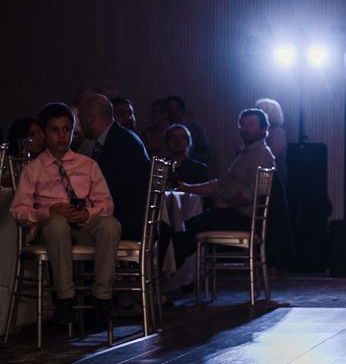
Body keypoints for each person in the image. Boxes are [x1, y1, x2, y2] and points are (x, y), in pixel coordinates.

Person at [10, 103, 121, 323]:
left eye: (66, 129)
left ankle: (102, 296)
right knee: (58, 224)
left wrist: (88, 214)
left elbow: (107, 204)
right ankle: (65, 297)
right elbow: (18, 210)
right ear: (44, 132)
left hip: (82, 225)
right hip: (50, 227)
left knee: (111, 224)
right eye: (55, 130)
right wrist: (47, 212)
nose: (62, 136)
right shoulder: (33, 169)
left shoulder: (88, 165)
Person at [172, 108, 276, 269]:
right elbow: (220, 184)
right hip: (230, 213)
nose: (245, 129)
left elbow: (253, 192)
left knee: (182, 232)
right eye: (242, 125)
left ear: (264, 129)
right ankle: (172, 277)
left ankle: (165, 278)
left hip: (241, 218)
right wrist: (188, 188)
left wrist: (227, 204)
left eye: (251, 124)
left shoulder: (261, 154)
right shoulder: (246, 153)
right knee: (183, 228)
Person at [77, 94, 151, 242]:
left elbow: (117, 186)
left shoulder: (124, 143)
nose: (79, 124)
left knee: (65, 233)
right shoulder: (116, 138)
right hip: (122, 215)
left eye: (80, 118)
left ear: (90, 118)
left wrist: (82, 198)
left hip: (125, 221)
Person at [166, 95, 213, 166]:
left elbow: (205, 151)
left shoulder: (194, 128)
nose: (169, 113)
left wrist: (190, 164)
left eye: (171, 109)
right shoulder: (161, 128)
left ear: (180, 110)